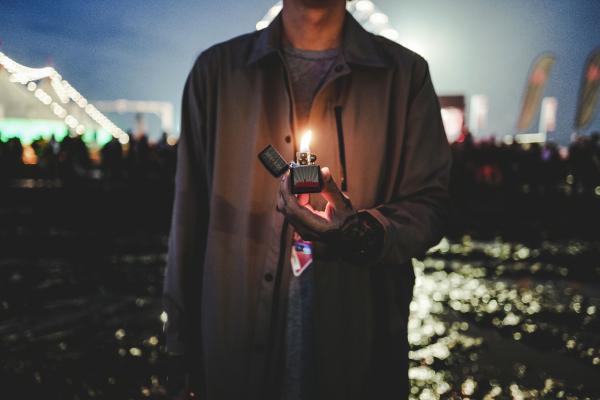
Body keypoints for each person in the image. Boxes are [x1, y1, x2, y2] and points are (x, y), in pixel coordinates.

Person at [162, 0, 451, 399]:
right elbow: (188, 219)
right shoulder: (216, 74)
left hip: (358, 353)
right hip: (232, 350)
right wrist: (178, 347)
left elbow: (430, 205)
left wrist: (358, 231)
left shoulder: (405, 76)